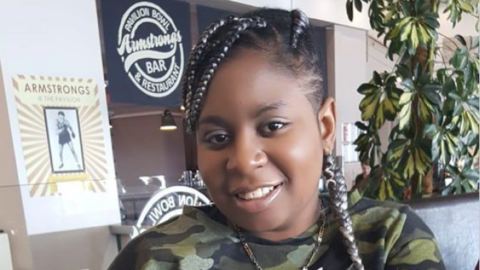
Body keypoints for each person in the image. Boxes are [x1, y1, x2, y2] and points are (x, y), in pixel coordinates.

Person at [108, 8, 445, 270]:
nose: (243, 159)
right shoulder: (158, 257)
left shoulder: (390, 238)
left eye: (272, 126)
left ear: (325, 128)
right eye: (218, 136)